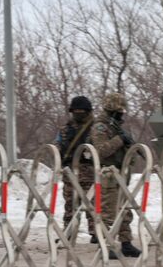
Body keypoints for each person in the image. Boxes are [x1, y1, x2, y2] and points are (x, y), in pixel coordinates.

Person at [92, 91, 140, 258]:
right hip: (108, 174)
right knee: (107, 212)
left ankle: (126, 243)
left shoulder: (115, 126)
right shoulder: (101, 127)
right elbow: (101, 150)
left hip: (120, 173)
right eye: (119, 111)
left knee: (124, 211)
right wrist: (120, 139)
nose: (122, 115)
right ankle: (105, 244)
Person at [55, 95, 99, 243]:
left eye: (82, 111)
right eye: (76, 111)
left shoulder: (95, 128)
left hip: (89, 172)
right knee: (70, 205)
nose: (78, 114)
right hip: (70, 173)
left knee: (92, 204)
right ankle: (68, 233)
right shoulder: (65, 129)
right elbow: (58, 146)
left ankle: (96, 233)